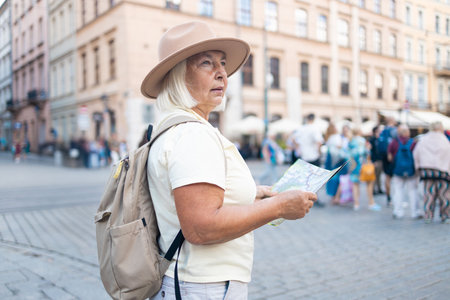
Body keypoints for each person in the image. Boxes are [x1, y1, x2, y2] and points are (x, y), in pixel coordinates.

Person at [140, 21, 317, 299]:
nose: (222, 73)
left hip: (193, 283)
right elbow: (201, 226)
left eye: (222, 63)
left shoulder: (174, 128)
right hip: (204, 286)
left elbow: (194, 200)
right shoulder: (192, 134)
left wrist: (251, 195)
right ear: (177, 75)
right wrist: (279, 206)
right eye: (207, 63)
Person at [413, 122, 450, 224]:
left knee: (429, 194)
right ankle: (445, 215)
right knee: (444, 195)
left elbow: (416, 154)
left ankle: (428, 215)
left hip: (427, 171)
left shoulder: (423, 140)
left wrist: (418, 168)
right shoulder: (444, 140)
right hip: (443, 171)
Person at [388, 124, 421, 219]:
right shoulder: (413, 142)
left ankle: (398, 212)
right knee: (413, 191)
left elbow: (389, 157)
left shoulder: (394, 142)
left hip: (398, 171)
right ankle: (415, 212)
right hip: (411, 171)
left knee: (398, 191)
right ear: (407, 132)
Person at [348, 128, 381, 212]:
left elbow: (349, 153)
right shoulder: (362, 141)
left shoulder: (351, 141)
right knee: (369, 183)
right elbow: (365, 153)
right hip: (363, 165)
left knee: (355, 184)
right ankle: (371, 203)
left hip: (354, 166)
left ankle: (356, 204)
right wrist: (368, 149)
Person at [378, 117, 397, 206]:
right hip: (393, 156)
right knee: (397, 179)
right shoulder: (394, 130)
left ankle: (388, 198)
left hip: (384, 157)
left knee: (387, 177)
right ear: (392, 121)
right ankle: (396, 198)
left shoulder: (383, 131)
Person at [369, 125, 383, 194]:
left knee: (379, 175)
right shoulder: (372, 140)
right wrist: (373, 161)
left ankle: (379, 189)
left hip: (380, 159)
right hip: (375, 160)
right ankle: (373, 190)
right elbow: (371, 151)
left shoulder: (380, 139)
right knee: (374, 175)